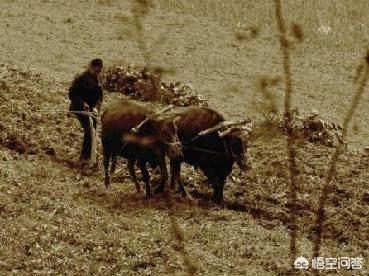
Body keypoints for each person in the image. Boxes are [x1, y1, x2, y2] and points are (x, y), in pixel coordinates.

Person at [69, 58, 103, 163]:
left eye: (99, 71)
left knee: (94, 132)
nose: (97, 73)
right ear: (91, 67)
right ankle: (84, 158)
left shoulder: (98, 79)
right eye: (96, 71)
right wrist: (82, 103)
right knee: (89, 130)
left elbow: (100, 96)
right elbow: (72, 94)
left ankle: (92, 157)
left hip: (92, 111)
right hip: (79, 108)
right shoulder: (81, 78)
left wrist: (97, 107)